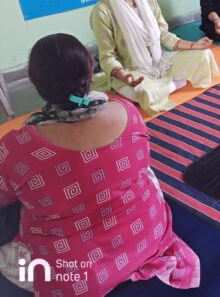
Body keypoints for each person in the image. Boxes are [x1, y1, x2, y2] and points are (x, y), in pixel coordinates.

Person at [0, 34, 201, 295]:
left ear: (35, 83)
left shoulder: (17, 147)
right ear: (89, 72)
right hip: (148, 234)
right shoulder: (128, 112)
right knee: (142, 168)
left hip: (77, 272)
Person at [90, 0, 219, 115]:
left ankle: (165, 87)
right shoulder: (102, 12)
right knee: (143, 91)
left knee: (204, 55)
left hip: (160, 62)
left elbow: (163, 35)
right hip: (131, 70)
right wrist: (123, 76)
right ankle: (176, 83)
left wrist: (194, 45)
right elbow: (107, 57)